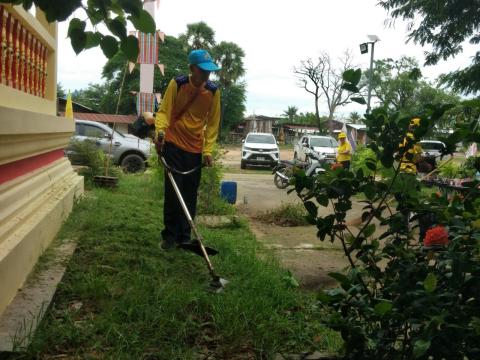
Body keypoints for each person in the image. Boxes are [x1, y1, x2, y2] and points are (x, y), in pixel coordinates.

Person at [148, 49, 221, 250]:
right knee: (173, 192)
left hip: (195, 149)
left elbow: (213, 124)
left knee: (189, 194)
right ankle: (169, 236)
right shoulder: (178, 84)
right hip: (173, 145)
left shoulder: (213, 91)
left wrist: (207, 150)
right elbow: (164, 111)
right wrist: (161, 131)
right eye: (202, 70)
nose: (207, 75)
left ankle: (185, 236)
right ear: (191, 68)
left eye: (209, 71)